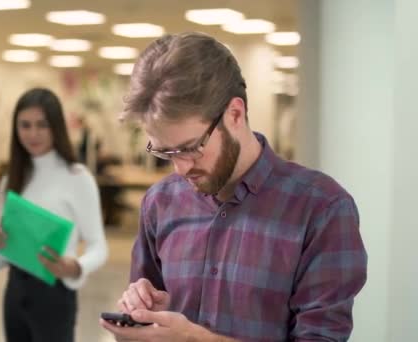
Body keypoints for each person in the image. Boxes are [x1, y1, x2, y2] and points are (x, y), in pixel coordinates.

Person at [100, 32, 367, 341]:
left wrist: (195, 338)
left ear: (235, 114)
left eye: (191, 147)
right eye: (164, 152)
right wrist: (140, 315)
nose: (180, 168)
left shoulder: (322, 209)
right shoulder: (160, 202)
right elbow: (148, 325)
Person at [0, 87, 108, 342]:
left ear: (56, 127)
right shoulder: (11, 180)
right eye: (25, 125)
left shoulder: (77, 178)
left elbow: (99, 246)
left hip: (55, 294)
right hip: (15, 292)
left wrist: (75, 267)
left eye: (42, 125)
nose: (33, 134)